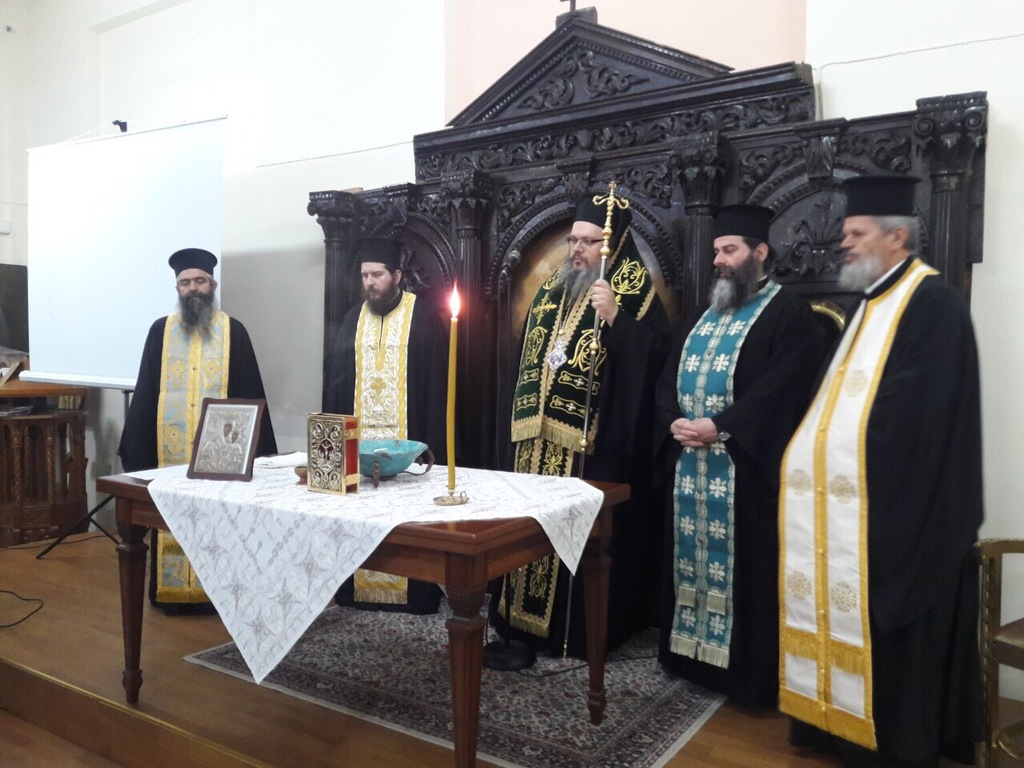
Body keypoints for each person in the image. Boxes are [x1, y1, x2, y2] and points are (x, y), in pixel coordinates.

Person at [779, 176, 983, 768]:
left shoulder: (933, 305)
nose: (843, 243)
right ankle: (834, 725)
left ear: (897, 237)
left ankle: (895, 744)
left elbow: (916, 416)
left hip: (906, 506)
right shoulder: (868, 305)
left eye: (856, 233)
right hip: (858, 502)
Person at [654, 204, 827, 709]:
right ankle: (687, 658)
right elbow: (667, 376)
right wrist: (673, 420)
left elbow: (781, 390)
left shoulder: (788, 314)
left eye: (728, 250)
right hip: (690, 465)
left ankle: (743, 677)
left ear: (760, 253)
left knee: (749, 573)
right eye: (716, 251)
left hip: (746, 473)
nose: (718, 261)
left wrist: (723, 426)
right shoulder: (701, 315)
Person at [491, 192, 670, 659]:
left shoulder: (633, 294)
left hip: (594, 448)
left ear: (613, 246)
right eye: (574, 240)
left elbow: (656, 362)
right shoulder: (552, 289)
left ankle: (567, 634)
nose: (577, 249)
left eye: (589, 242)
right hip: (534, 444)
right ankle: (519, 623)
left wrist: (616, 320)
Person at [119, 247, 278, 612]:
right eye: (185, 282)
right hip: (169, 458)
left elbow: (250, 394)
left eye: (199, 281)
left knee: (220, 523)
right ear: (177, 288)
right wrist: (137, 449)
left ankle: (218, 597)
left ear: (212, 285)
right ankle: (172, 595)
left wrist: (257, 453)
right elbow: (146, 393)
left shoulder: (233, 332)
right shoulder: (160, 331)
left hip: (221, 460)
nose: (193, 288)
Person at [324, 236, 448, 614]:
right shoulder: (353, 318)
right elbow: (337, 386)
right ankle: (358, 590)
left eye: (377, 275)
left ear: (396, 275)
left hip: (409, 449)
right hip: (360, 453)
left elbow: (438, 385)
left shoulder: (423, 316)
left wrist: (432, 446)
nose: (370, 283)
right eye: (365, 275)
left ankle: (416, 593)